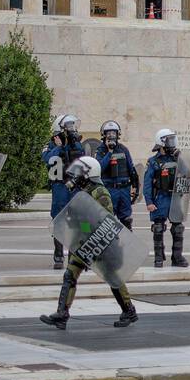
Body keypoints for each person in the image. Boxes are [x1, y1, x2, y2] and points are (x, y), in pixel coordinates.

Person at [40, 156, 139, 330]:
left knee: (113, 278)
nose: (76, 176)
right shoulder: (83, 192)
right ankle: (62, 315)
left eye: (80, 172)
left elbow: (105, 219)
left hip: (100, 244)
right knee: (70, 275)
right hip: (84, 242)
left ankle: (129, 311)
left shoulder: (100, 192)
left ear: (89, 173)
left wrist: (82, 224)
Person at [43, 114, 86, 269]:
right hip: (59, 187)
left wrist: (72, 143)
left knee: (80, 222)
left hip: (75, 187)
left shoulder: (76, 144)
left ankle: (78, 255)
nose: (71, 129)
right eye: (68, 126)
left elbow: (82, 159)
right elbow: (47, 159)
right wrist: (60, 146)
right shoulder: (51, 144)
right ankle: (58, 256)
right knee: (59, 221)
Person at [142, 128, 189, 268]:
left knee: (178, 227)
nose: (172, 143)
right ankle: (158, 258)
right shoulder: (153, 162)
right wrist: (149, 202)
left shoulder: (178, 159)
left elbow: (187, 175)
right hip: (160, 197)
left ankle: (177, 257)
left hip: (175, 197)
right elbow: (147, 184)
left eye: (173, 140)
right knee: (158, 228)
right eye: (169, 140)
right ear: (161, 142)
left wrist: (182, 158)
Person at [95, 121, 139, 231]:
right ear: (103, 135)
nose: (111, 136)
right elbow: (99, 168)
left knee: (126, 220)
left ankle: (127, 246)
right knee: (107, 220)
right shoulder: (100, 151)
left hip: (124, 189)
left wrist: (135, 187)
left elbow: (131, 169)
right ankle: (109, 246)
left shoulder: (123, 149)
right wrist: (109, 152)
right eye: (108, 133)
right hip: (109, 189)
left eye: (113, 133)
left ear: (117, 134)